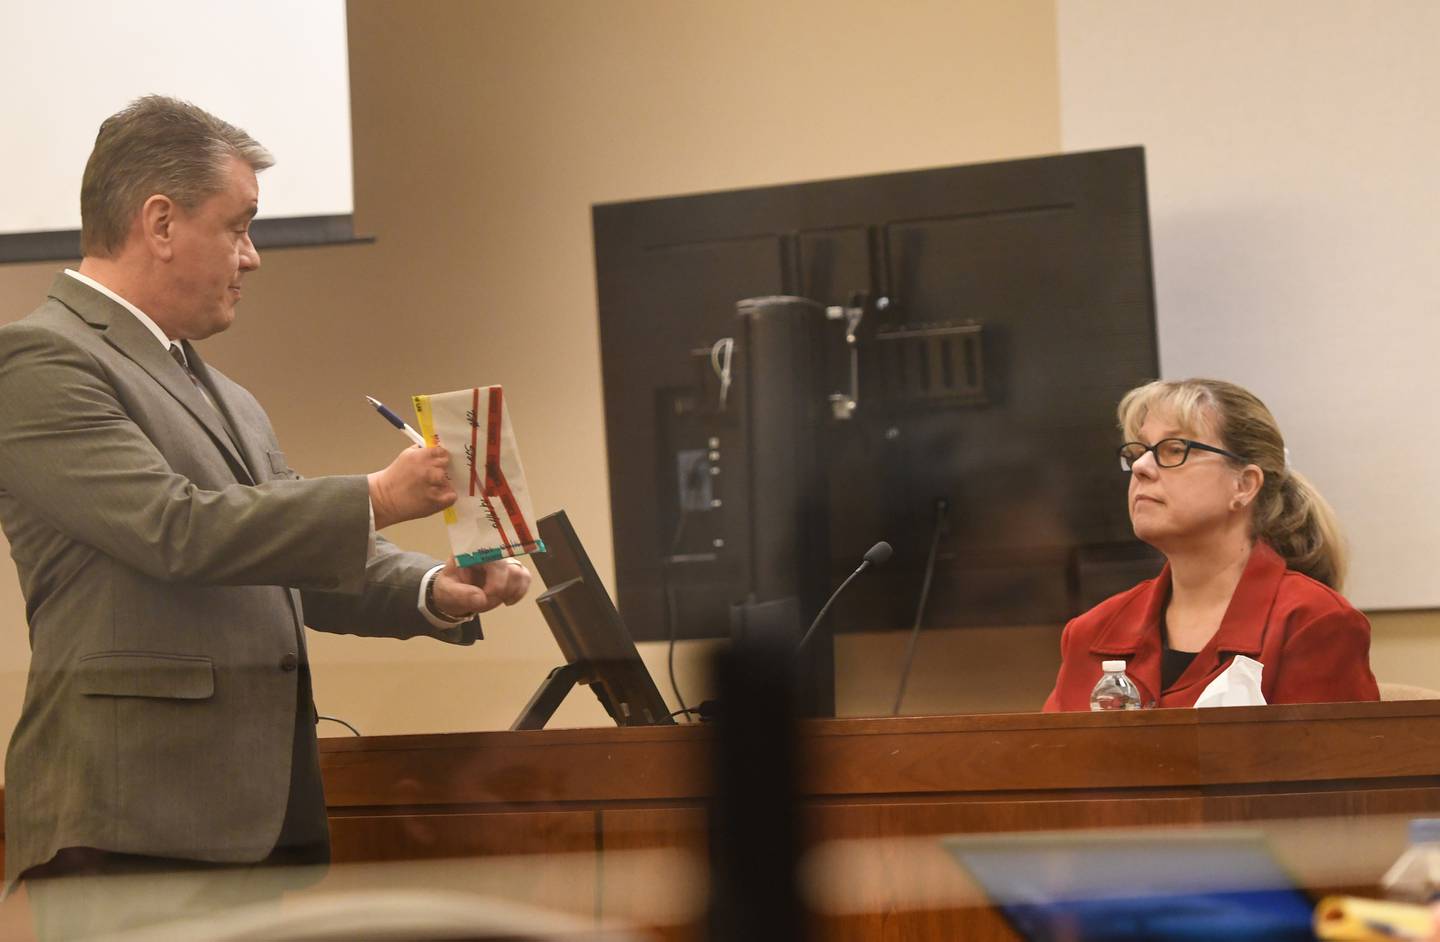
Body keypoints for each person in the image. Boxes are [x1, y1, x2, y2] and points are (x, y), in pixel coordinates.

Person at [0, 96, 532, 929]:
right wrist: (381, 496)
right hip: (131, 821)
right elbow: (174, 530)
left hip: (250, 820)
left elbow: (283, 556)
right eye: (240, 227)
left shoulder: (227, 395)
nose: (253, 258)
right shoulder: (40, 359)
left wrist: (434, 588)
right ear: (161, 222)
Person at [1043, 378, 1378, 711]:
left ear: (1244, 484)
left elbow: (1332, 762)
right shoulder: (1091, 632)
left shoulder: (1314, 623)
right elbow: (1052, 760)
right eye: (1138, 453)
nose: (1142, 467)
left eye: (1174, 449)